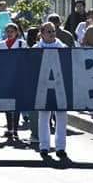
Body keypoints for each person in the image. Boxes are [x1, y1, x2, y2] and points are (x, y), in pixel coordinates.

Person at [33, 22, 68, 158]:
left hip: (60, 85)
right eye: (48, 31)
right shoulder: (36, 49)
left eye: (53, 31)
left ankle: (60, 147)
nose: (52, 33)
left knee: (61, 117)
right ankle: (44, 146)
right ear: (42, 34)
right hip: (43, 86)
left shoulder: (63, 48)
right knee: (43, 117)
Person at [0, 23, 27, 140]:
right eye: (7, 31)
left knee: (17, 104)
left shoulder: (21, 44)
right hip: (5, 77)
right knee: (7, 103)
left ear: (16, 32)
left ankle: (15, 129)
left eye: (12, 31)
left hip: (18, 77)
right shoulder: (0, 45)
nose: (9, 33)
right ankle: (9, 128)